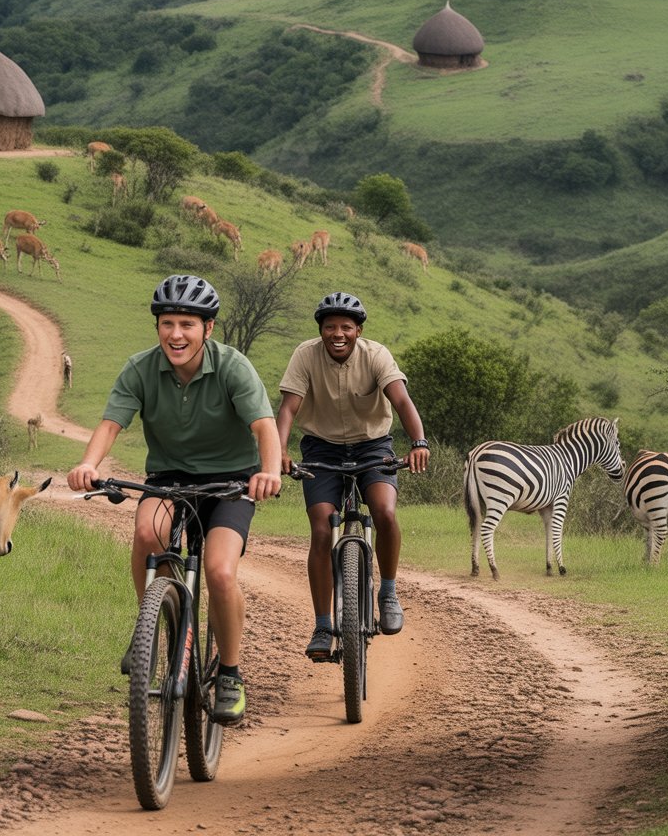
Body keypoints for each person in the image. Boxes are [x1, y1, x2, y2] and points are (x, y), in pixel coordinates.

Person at [67, 274, 282, 725]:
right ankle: (155, 623)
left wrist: (269, 471)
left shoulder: (233, 367)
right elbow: (110, 425)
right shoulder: (140, 369)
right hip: (169, 478)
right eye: (167, 323)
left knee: (221, 572)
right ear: (158, 326)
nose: (176, 334)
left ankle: (229, 673)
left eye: (187, 323)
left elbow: (264, 426)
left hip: (232, 482)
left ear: (209, 328)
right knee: (147, 532)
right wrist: (88, 464)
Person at [276, 291, 429, 662]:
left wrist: (419, 441)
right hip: (322, 447)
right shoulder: (305, 354)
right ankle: (323, 624)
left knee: (384, 511)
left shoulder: (376, 355)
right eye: (330, 327)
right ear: (321, 331)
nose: (337, 334)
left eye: (346, 327)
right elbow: (288, 408)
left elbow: (402, 401)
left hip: (372, 446)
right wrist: (277, 452)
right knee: (321, 527)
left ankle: (388, 591)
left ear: (358, 330)